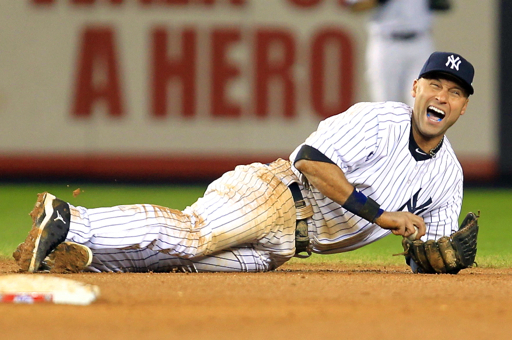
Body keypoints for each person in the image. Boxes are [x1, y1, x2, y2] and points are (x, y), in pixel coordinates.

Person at [15, 51, 475, 274]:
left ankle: (73, 260)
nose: (442, 96)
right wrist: (380, 215)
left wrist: (440, 260)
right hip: (275, 195)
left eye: (455, 92)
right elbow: (311, 161)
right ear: (415, 88)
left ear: (462, 108)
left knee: (182, 268)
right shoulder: (378, 120)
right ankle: (71, 220)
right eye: (435, 84)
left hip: (283, 249)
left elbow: (428, 254)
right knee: (193, 234)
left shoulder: (448, 175)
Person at [345, 0, 451, 107]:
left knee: (423, 103)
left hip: (421, 41)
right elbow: (355, 6)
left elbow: (443, 5)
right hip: (386, 43)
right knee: (385, 106)